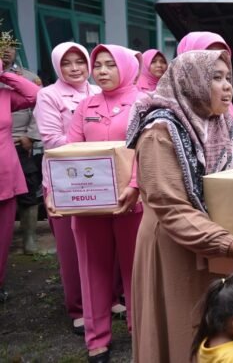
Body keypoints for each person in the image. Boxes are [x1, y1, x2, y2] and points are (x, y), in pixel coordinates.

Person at [127, 50, 233, 363]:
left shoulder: (224, 124)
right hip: (175, 248)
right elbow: (171, 208)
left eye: (228, 79)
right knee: (184, 328)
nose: (227, 87)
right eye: (216, 78)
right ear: (190, 82)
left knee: (229, 336)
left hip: (223, 247)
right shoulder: (160, 131)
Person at [58, 44, 143, 361]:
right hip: (89, 204)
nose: (103, 71)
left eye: (111, 65)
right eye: (99, 65)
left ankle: (140, 330)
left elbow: (147, 149)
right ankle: (97, 339)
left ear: (126, 67)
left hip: (132, 204)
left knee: (136, 271)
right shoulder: (85, 105)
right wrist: (57, 191)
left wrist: (135, 184)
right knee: (92, 270)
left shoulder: (143, 104)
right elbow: (69, 151)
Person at [33, 42, 99, 335]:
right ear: (58, 66)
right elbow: (51, 139)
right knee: (71, 249)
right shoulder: (48, 95)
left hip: (99, 179)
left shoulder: (97, 92)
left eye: (80, 61)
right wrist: (93, 140)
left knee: (99, 244)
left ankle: (104, 300)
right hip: (64, 181)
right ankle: (78, 308)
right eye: (67, 63)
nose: (75, 68)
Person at [0, 37, 41, 303]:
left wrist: (4, 73)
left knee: (3, 238)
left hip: (5, 172)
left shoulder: (4, 94)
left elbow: (34, 94)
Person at [176, 31, 233, 117]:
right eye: (208, 54)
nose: (216, 58)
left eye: (228, 78)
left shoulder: (225, 108)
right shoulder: (168, 117)